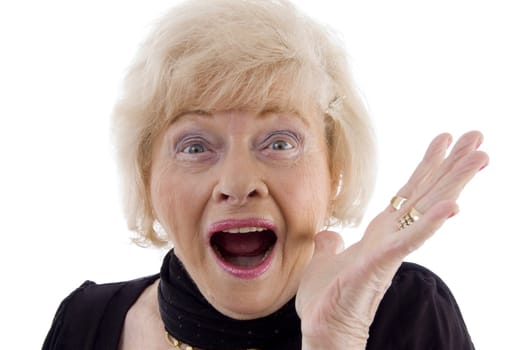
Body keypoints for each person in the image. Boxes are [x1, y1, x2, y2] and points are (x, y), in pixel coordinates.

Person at [42, 0, 489, 349]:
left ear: (334, 169)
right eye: (195, 146)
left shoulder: (408, 311)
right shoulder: (84, 323)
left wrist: (335, 343)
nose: (238, 184)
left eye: (279, 143)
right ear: (148, 178)